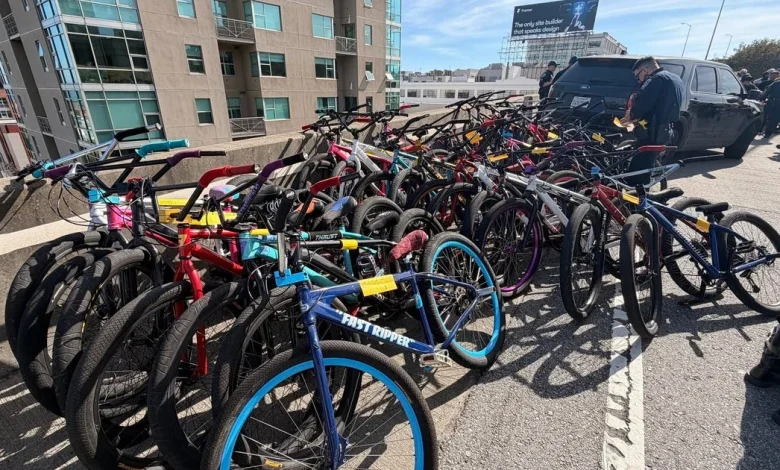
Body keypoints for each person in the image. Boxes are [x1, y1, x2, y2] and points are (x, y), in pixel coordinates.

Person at [621, 56, 684, 184]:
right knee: (648, 164)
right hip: (667, 129)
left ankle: (637, 200)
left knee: (637, 171)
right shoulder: (676, 79)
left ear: (644, 70)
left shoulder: (655, 80)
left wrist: (630, 115)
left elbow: (644, 104)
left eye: (637, 75)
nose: (638, 80)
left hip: (652, 131)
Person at [761, 69, 780, 137]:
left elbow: (767, 91)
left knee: (769, 117)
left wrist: (762, 99)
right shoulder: (776, 83)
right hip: (774, 102)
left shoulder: (775, 83)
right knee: (775, 118)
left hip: (772, 101)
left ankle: (767, 132)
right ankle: (768, 132)